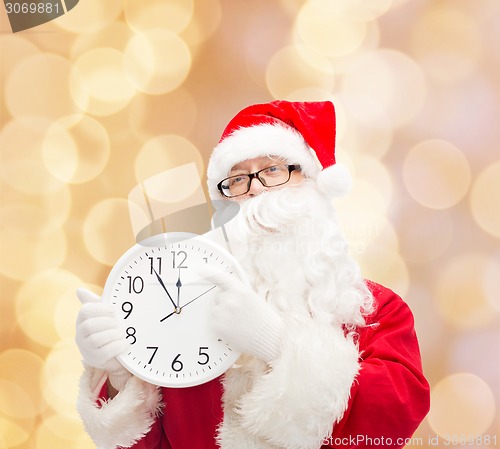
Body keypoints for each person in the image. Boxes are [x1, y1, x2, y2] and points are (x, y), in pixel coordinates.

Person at [75, 100, 430, 449]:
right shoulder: (183, 315)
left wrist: (274, 344)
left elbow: (393, 419)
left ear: (312, 183)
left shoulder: (377, 311)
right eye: (239, 180)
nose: (256, 188)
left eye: (273, 170)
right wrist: (120, 374)